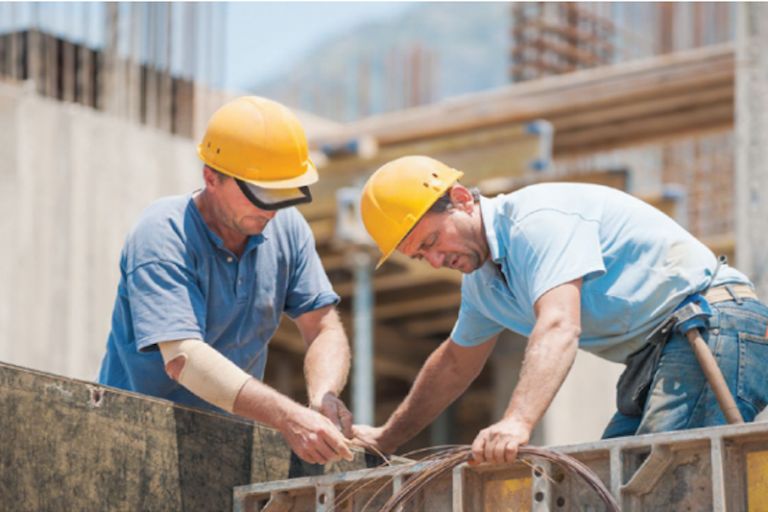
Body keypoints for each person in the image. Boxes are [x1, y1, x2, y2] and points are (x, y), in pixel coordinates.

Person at [352, 155, 768, 465]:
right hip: (662, 352)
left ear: (461, 200)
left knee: (658, 483)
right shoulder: (484, 285)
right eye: (422, 257)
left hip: (713, 324)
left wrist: (516, 421)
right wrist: (386, 440)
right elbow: (454, 365)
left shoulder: (535, 222)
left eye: (432, 241)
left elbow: (559, 326)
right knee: (609, 483)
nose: (437, 260)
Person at [97, 96, 354, 465]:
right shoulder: (163, 232)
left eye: (282, 192)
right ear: (211, 178)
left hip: (226, 446)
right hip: (132, 440)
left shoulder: (288, 229)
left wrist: (323, 397)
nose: (270, 208)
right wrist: (287, 416)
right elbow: (183, 358)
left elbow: (324, 327)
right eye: (259, 193)